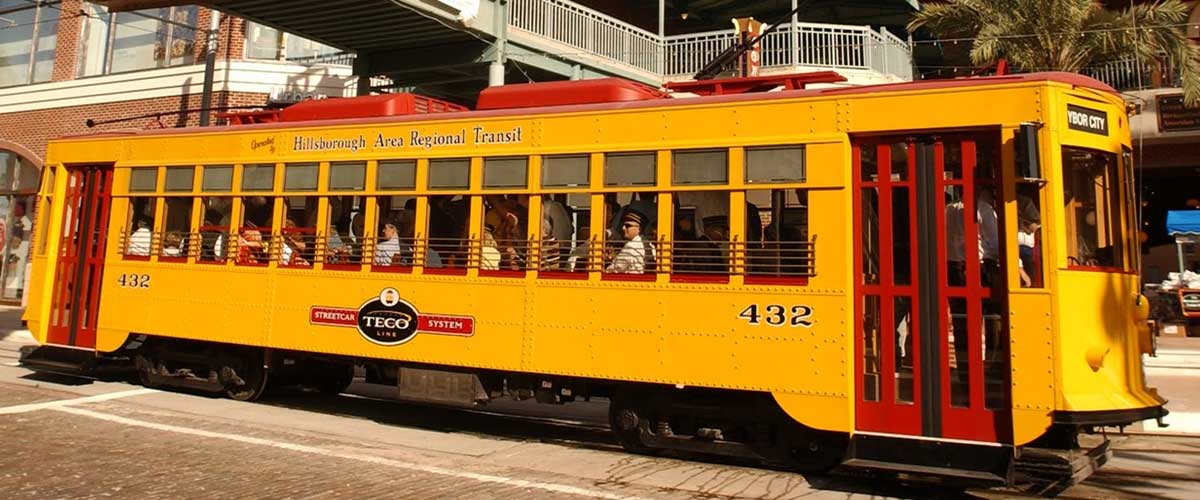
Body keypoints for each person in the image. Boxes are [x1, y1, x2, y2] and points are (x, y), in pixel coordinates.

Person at [606, 210, 649, 274]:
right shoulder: (645, 242)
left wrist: (604, 269)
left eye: (627, 226)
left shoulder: (632, 246)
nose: (623, 228)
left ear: (639, 229)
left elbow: (616, 268)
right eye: (623, 225)